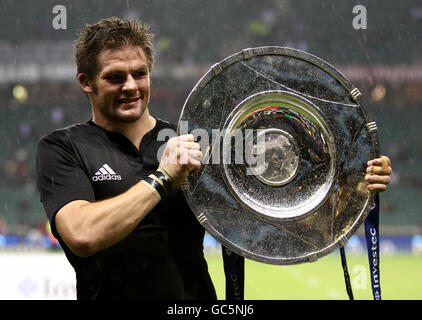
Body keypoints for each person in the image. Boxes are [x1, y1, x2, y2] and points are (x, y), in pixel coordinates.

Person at [36, 17, 392, 300]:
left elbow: (284, 226)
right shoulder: (64, 147)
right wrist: (162, 178)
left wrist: (352, 190)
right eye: (115, 77)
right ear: (86, 82)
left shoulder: (196, 142)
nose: (131, 85)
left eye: (139, 73)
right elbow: (82, 235)